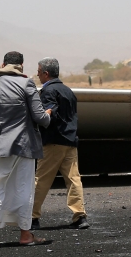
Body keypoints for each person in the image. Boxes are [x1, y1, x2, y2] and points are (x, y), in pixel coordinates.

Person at [0, 51, 52, 250]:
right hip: (24, 146)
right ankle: (25, 235)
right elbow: (40, 118)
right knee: (23, 188)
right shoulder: (26, 83)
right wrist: (48, 115)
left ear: (2, 64)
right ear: (21, 66)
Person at [31, 57, 88, 229]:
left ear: (46, 74)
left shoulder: (48, 92)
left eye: (39, 72)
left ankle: (31, 217)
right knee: (73, 179)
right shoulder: (68, 91)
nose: (38, 75)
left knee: (41, 180)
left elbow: (48, 116)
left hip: (53, 142)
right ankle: (80, 216)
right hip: (70, 141)